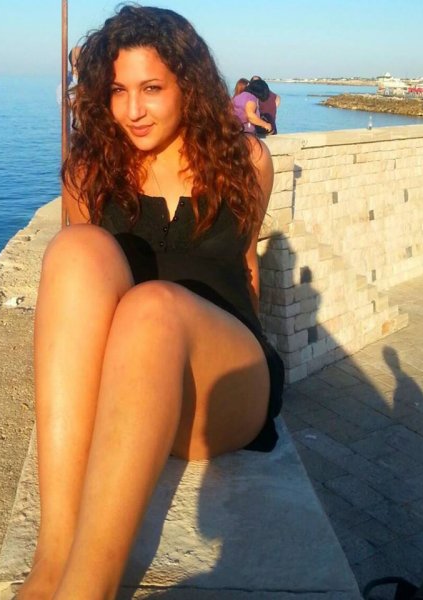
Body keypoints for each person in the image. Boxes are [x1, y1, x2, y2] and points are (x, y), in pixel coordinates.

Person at [18, 6, 284, 600]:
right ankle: (54, 552)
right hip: (135, 385)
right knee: (76, 250)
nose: (132, 110)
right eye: (118, 90)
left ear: (188, 85)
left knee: (153, 306)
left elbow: (246, 266)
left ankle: (88, 588)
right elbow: (81, 297)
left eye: (152, 88)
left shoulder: (246, 162)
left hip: (225, 384)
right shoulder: (89, 169)